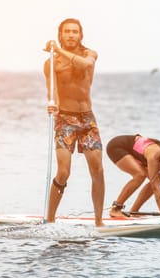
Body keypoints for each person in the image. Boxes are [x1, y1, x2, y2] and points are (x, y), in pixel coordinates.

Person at [43, 18, 104, 227]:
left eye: (74, 32)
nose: (70, 35)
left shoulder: (90, 54)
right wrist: (53, 105)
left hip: (87, 119)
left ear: (81, 35)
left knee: (97, 170)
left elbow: (86, 65)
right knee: (63, 172)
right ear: (61, 35)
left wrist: (58, 50)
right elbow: (53, 91)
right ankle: (50, 219)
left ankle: (98, 222)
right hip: (65, 119)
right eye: (67, 31)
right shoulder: (51, 63)